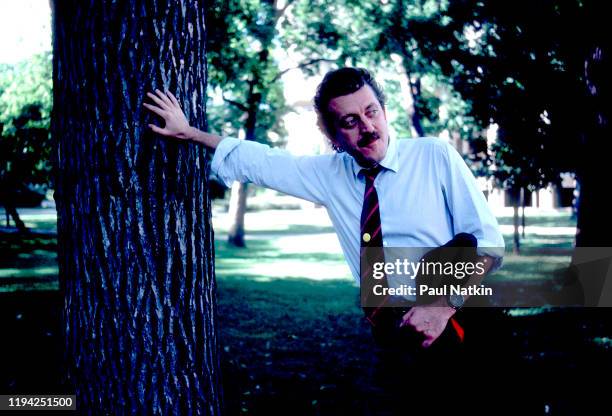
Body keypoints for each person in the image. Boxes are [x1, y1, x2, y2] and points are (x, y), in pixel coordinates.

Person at [144, 67, 506, 412]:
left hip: (461, 315)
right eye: (350, 122)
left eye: (372, 112)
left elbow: (487, 243)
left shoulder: (433, 155)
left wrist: (441, 307)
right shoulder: (328, 175)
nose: (367, 128)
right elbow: (261, 161)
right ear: (333, 137)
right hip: (395, 335)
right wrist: (189, 133)